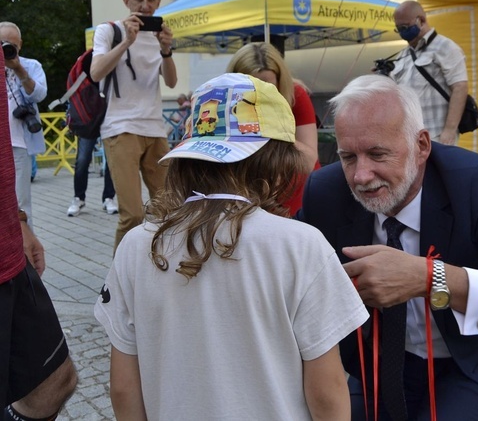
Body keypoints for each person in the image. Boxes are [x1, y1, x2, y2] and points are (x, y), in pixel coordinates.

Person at [297, 74, 478, 421]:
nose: (361, 176)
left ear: (422, 146)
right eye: (348, 157)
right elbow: (290, 267)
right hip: (377, 361)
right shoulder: (326, 190)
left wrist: (431, 278)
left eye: (377, 154)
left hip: (472, 361)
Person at [94, 73, 367, 420]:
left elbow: (123, 387)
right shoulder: (301, 246)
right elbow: (327, 394)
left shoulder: (136, 246)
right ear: (278, 161)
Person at [1, 51, 78, 421]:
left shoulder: (25, 67)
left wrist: (18, 221)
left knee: (56, 380)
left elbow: (38, 94)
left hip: (8, 239)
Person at [90, 0, 178, 251]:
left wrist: (166, 49)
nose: (145, 5)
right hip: (120, 128)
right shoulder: (110, 31)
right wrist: (126, 42)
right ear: (127, 0)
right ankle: (118, 282)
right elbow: (95, 72)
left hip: (154, 128)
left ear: (159, 1)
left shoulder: (159, 34)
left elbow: (172, 82)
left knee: (170, 208)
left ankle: (161, 265)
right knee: (133, 215)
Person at [226, 42, 319, 215]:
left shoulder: (295, 94)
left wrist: (270, 127)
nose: (261, 94)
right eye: (253, 87)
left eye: (268, 87)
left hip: (297, 195)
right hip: (250, 196)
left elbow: (308, 161)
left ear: (280, 80)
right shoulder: (226, 102)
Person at [390, 0, 469, 145]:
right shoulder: (403, 56)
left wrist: (450, 130)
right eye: (398, 28)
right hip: (409, 137)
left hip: (436, 136)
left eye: (405, 27)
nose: (402, 32)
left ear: (421, 20)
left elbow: (460, 87)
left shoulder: (446, 47)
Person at [1, 22, 47, 229]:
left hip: (19, 144)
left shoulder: (31, 66)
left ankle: (25, 255)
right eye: (2, 43)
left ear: (20, 45)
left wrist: (18, 68)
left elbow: (39, 95)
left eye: (12, 45)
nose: (6, 49)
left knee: (21, 204)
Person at [66, 137, 118, 216]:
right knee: (82, 159)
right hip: (88, 126)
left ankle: (109, 197)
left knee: (112, 159)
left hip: (109, 125)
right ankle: (79, 198)